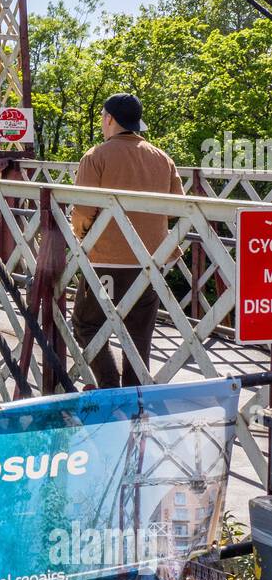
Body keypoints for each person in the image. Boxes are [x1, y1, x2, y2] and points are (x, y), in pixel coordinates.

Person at [70, 92, 183, 388]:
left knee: (87, 323)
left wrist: (84, 242)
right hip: (151, 263)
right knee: (139, 335)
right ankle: (135, 397)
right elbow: (178, 206)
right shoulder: (163, 159)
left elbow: (82, 212)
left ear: (109, 119)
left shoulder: (95, 157)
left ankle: (109, 386)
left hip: (107, 260)